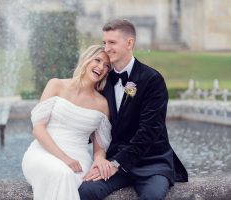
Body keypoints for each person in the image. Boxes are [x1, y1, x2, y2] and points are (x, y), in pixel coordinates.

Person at [79, 19, 188, 200]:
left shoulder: (152, 80)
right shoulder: (103, 80)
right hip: (113, 161)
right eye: (104, 42)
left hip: (151, 162)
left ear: (129, 43)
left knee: (152, 197)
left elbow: (149, 131)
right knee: (85, 191)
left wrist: (117, 163)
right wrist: (99, 158)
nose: (106, 48)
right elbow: (93, 121)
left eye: (112, 42)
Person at [22, 45, 115, 200]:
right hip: (42, 153)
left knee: (66, 175)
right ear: (86, 60)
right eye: (97, 60)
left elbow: (100, 147)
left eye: (106, 66)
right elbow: (38, 129)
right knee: (62, 173)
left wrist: (99, 159)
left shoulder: (103, 104)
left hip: (79, 161)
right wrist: (64, 158)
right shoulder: (56, 85)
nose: (101, 67)